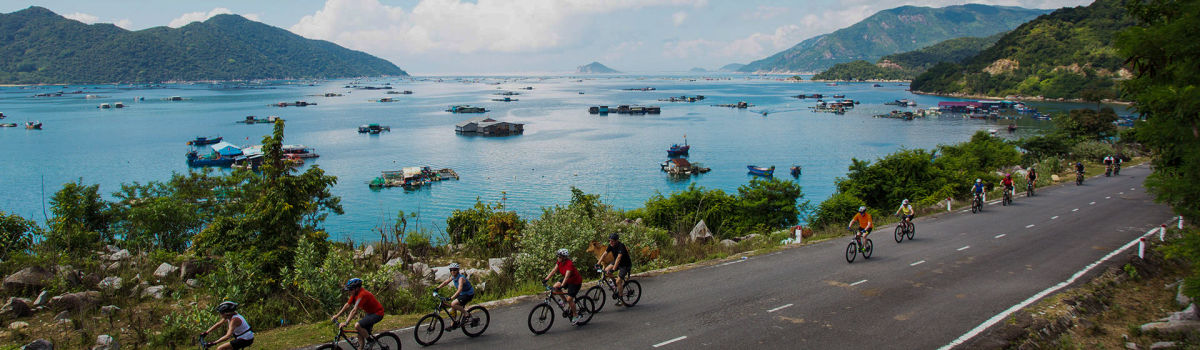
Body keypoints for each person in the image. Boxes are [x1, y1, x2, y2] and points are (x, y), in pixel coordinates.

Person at [331, 278, 385, 350]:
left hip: (377, 314)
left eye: (351, 289)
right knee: (360, 333)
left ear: (357, 288)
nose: (349, 291)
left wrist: (346, 322)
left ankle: (370, 341)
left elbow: (354, 310)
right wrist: (337, 315)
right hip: (370, 313)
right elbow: (347, 305)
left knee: (357, 325)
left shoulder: (362, 294)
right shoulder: (354, 294)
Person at [544, 248, 583, 324]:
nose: (558, 258)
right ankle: (564, 301)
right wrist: (546, 279)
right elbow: (554, 271)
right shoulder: (559, 262)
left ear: (564, 258)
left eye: (560, 257)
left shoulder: (569, 264)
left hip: (575, 282)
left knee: (569, 299)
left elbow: (566, 277)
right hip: (568, 280)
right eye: (558, 256)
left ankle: (575, 315)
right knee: (555, 287)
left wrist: (562, 286)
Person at [434, 263, 474, 330]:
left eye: (454, 270)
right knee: (453, 308)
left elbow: (459, 289)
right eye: (451, 270)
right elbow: (445, 282)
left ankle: (466, 314)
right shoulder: (453, 277)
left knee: (453, 304)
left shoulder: (461, 278)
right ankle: (453, 324)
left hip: (468, 294)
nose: (453, 271)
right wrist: (437, 288)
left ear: (458, 270)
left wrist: (451, 298)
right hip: (462, 294)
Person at [598, 233, 632, 306]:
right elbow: (604, 254)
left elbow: (619, 258)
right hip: (617, 262)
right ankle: (615, 283)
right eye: (610, 241)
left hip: (625, 265)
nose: (610, 242)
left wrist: (613, 269)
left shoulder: (621, 246)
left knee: (618, 281)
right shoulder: (611, 245)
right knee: (606, 270)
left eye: (612, 241)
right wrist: (598, 263)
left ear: (616, 241)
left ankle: (621, 299)